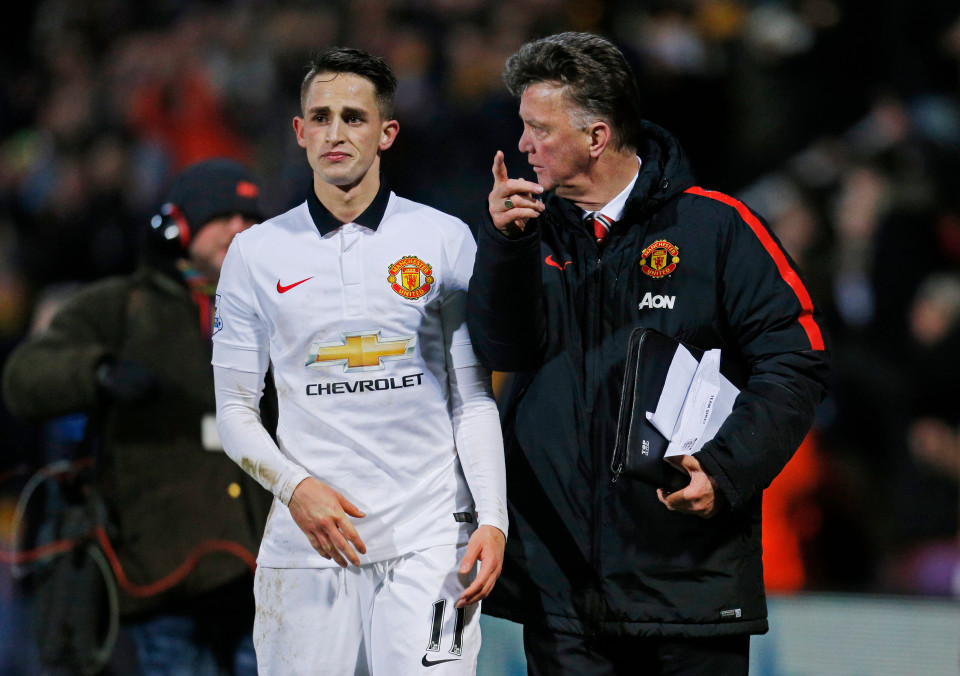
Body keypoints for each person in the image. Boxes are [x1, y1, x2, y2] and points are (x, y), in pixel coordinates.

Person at [466, 32, 830, 675]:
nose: (521, 144)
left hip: (687, 585)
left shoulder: (718, 229)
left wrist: (725, 468)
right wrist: (506, 250)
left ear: (597, 136)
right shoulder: (525, 233)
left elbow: (796, 361)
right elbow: (501, 350)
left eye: (537, 128)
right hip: (562, 597)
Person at [211, 47, 507, 676]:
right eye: (320, 117)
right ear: (299, 132)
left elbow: (473, 398)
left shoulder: (443, 238)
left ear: (386, 132)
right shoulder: (255, 254)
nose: (335, 132)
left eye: (353, 116)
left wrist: (495, 519)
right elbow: (234, 410)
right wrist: (296, 488)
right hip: (307, 544)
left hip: (432, 543)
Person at [2, 158, 272, 675]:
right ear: (177, 225)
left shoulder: (279, 308)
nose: (239, 228)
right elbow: (24, 377)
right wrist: (97, 372)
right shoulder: (118, 307)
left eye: (250, 217)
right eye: (223, 215)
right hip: (159, 576)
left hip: (264, 576)